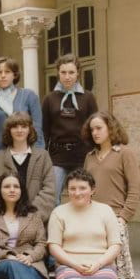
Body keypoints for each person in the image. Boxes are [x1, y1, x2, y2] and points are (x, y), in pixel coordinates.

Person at [83, 111, 140, 279]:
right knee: (99, 274)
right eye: (92, 129)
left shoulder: (124, 153)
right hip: (92, 221)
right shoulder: (89, 157)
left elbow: (135, 188)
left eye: (99, 128)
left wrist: (124, 218)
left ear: (110, 128)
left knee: (115, 275)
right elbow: (84, 188)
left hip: (115, 221)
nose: (95, 133)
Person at [41, 53, 98, 205]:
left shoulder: (88, 97)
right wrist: (42, 155)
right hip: (57, 157)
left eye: (71, 72)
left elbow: (95, 127)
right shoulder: (49, 99)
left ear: (78, 73)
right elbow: (44, 130)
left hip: (82, 156)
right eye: (63, 72)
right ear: (58, 73)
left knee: (84, 196)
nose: (67, 77)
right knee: (52, 197)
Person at [0, 112, 56, 223]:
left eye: (24, 126)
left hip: (36, 221)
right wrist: (9, 214)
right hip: (6, 221)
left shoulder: (43, 156)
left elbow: (49, 190)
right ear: (9, 130)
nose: (19, 130)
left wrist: (31, 216)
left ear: (30, 130)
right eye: (15, 127)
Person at [0, 57, 44, 153]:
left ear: (15, 75)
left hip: (26, 151)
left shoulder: (29, 95)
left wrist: (38, 152)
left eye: (7, 72)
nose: (3, 76)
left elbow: (37, 127)